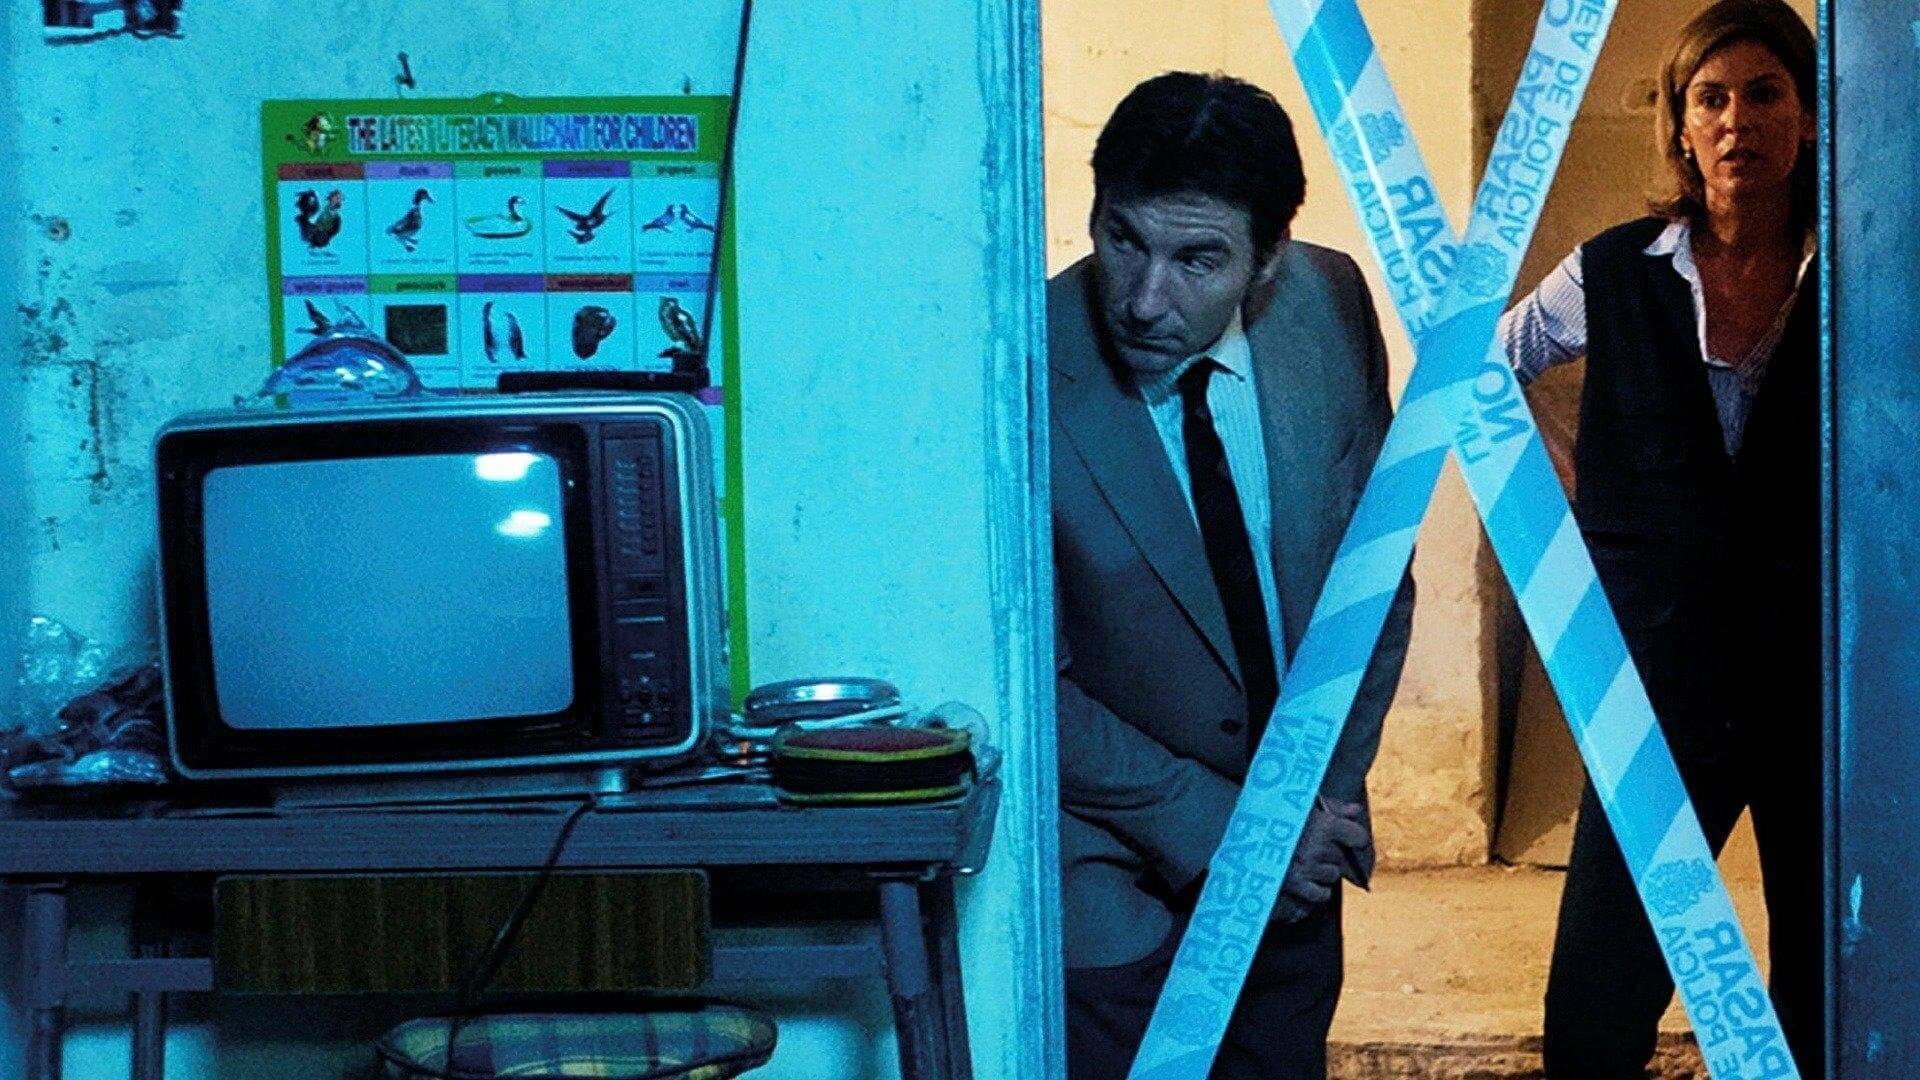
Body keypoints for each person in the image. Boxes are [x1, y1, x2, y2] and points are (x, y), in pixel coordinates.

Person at [1051, 71, 1415, 1080]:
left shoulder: (1329, 303)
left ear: (1268, 260)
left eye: (1197, 260)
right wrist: (1229, 830)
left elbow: (1372, 577)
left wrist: (1311, 807)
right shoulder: (1024, 359)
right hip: (1113, 851)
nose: (1144, 298)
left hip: (1302, 840)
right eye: (1125, 239)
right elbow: (1024, 678)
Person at [1496, 1, 1823, 1074]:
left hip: (1816, 672)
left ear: (1809, 115)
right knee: (1598, 992)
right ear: (1679, 125)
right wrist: (1560, 477)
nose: (1737, 121)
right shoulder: (1615, 270)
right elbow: (1489, 368)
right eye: (1710, 98)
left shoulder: (1858, 269)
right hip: (1658, 668)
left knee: (1829, 979)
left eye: (1765, 94)